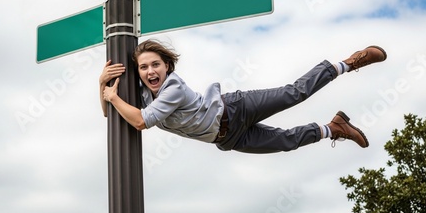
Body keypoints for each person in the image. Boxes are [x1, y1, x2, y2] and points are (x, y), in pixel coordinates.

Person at [99, 39, 387, 153]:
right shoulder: (140, 96)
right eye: (144, 67)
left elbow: (138, 122)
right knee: (286, 142)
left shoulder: (172, 87)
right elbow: (110, 116)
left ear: (167, 66)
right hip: (228, 139)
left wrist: (111, 97)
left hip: (236, 109)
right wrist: (103, 86)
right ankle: (333, 128)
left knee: (294, 94)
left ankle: (349, 63)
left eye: (156, 65)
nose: (150, 71)